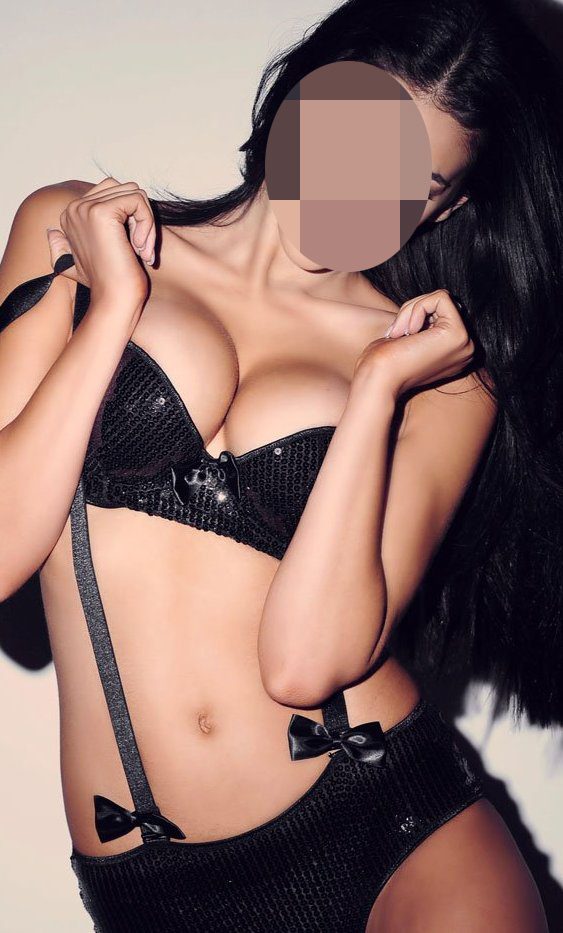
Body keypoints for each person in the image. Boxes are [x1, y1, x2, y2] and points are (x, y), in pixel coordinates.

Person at [0, 0, 560, 929]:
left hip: (396, 830)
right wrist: (112, 310)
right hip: (157, 889)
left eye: (410, 183)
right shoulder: (74, 230)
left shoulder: (440, 373)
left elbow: (307, 665)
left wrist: (374, 390)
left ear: (447, 206)